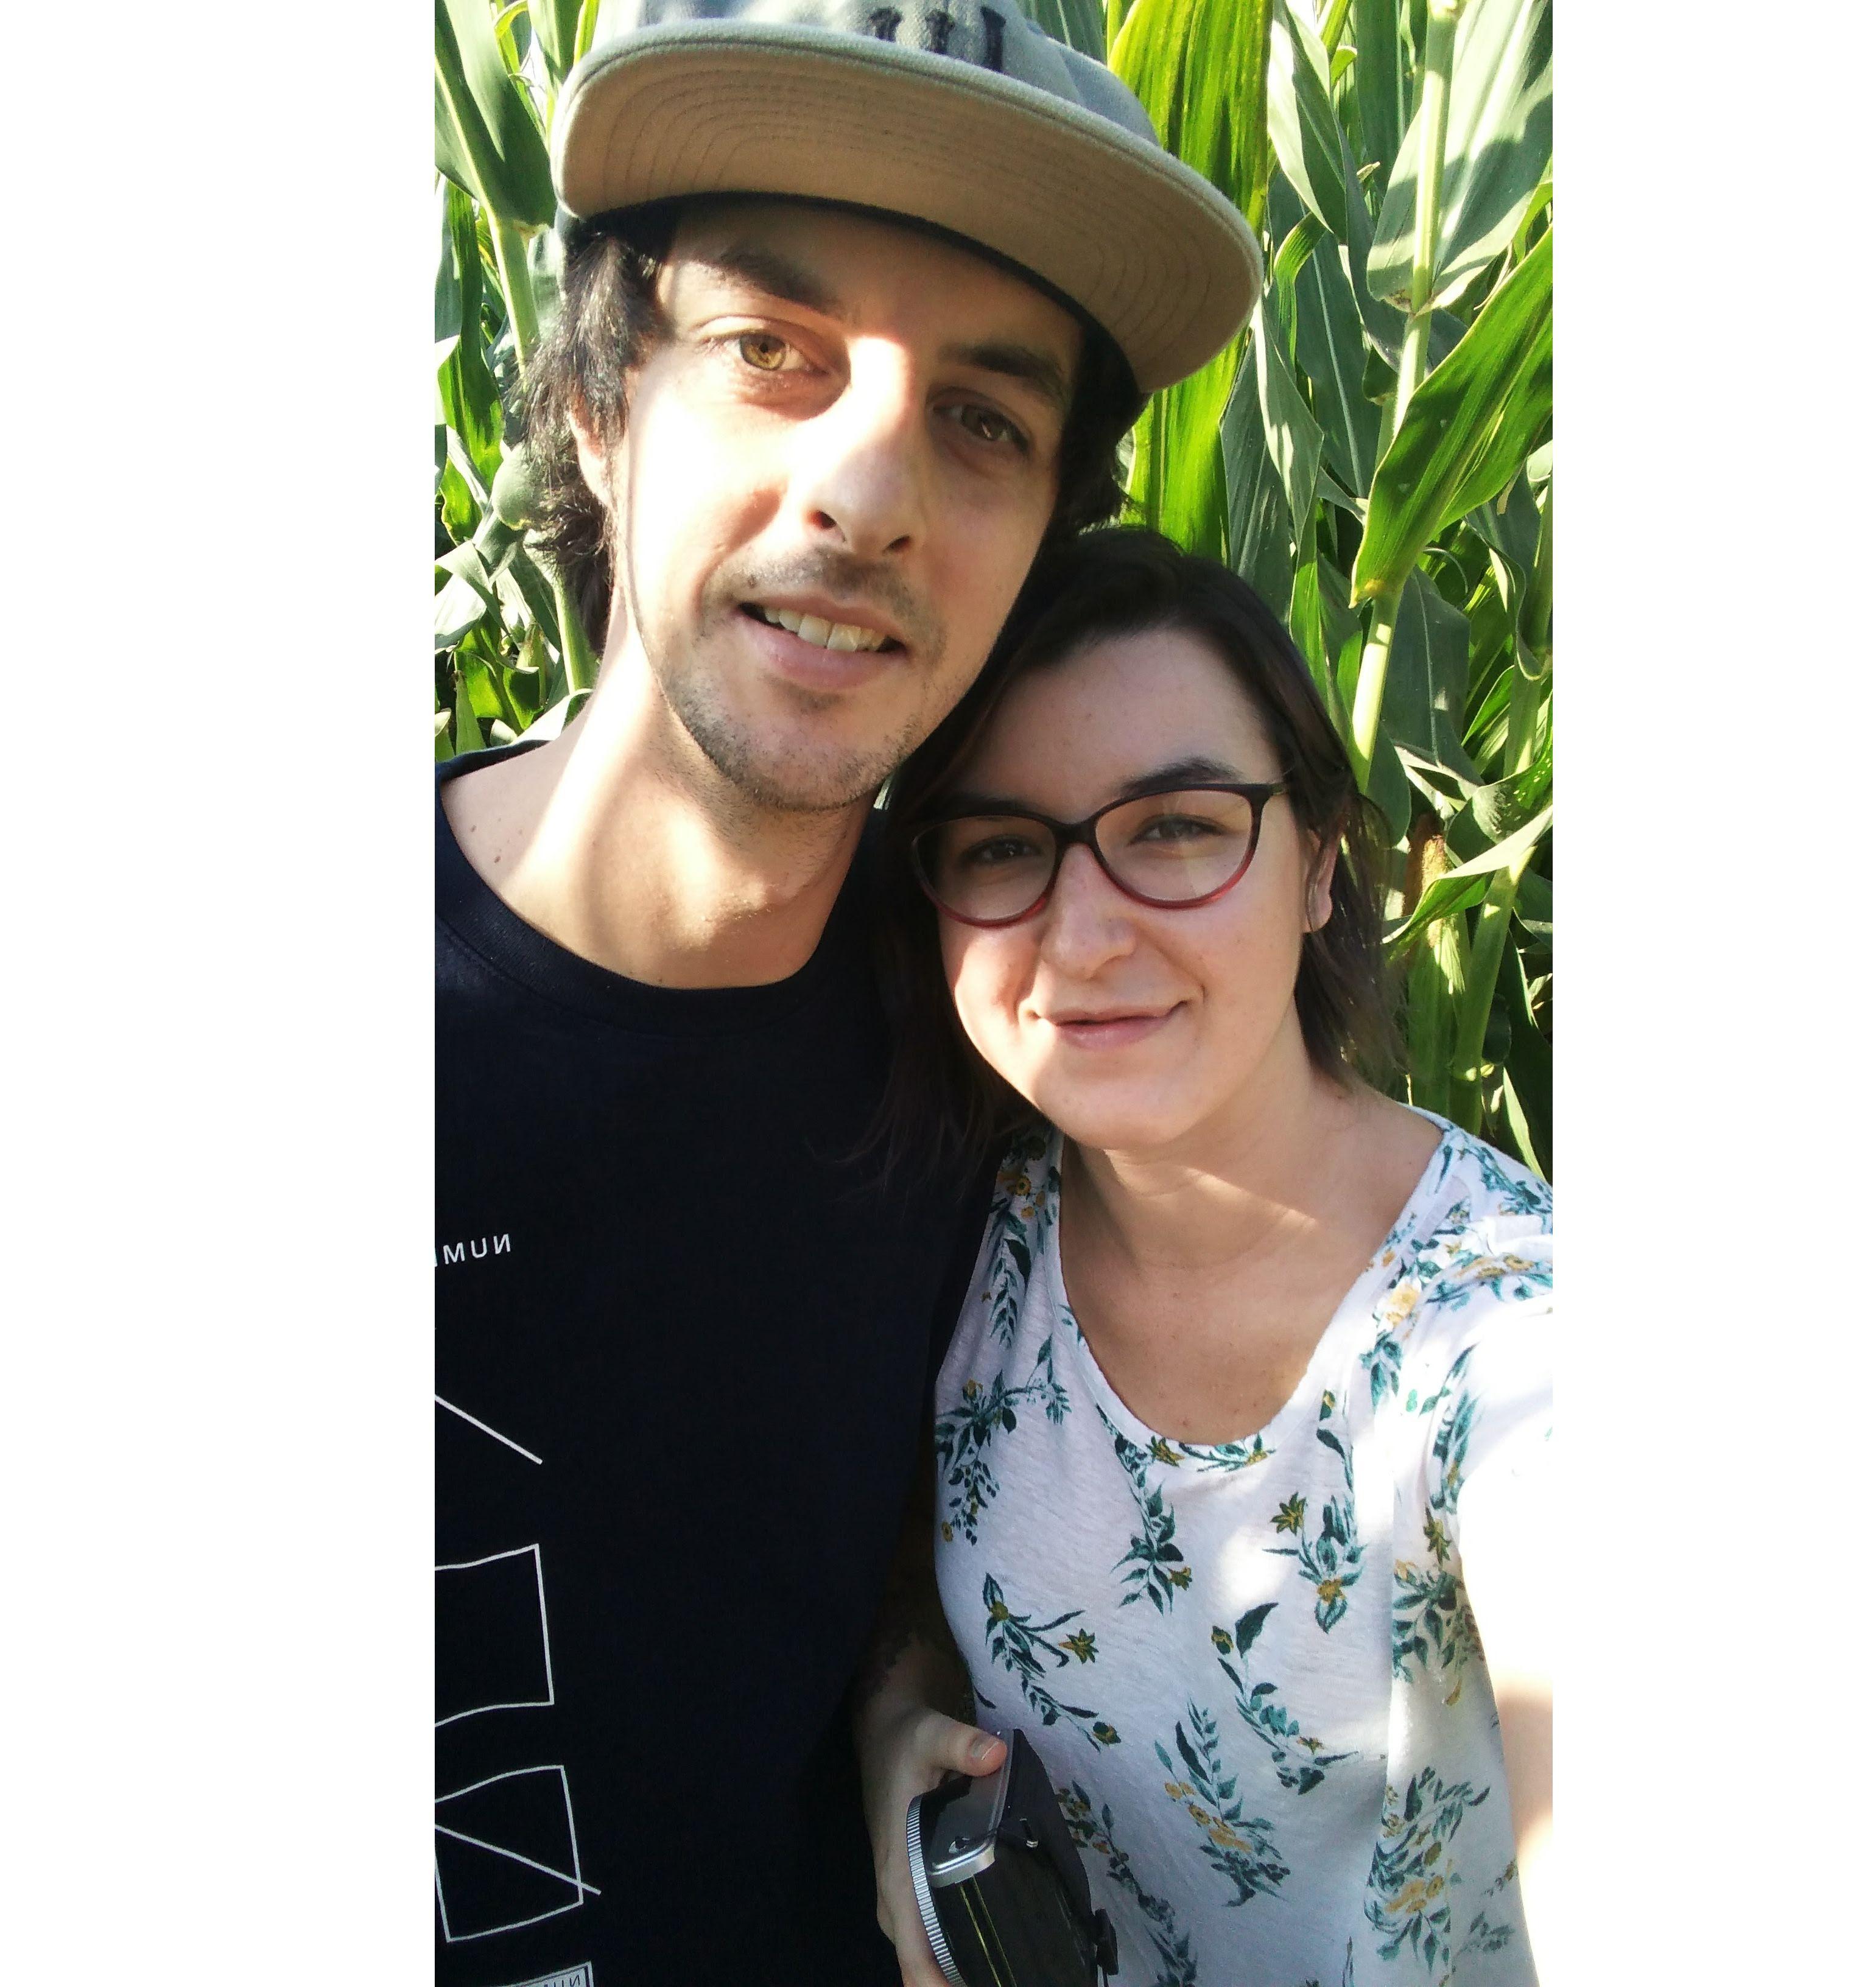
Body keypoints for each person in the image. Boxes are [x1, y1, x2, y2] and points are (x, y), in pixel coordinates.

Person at [434, 3, 1259, 1982]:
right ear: (595, 403)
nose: (869, 485)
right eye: (768, 352)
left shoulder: (1001, 1062)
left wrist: (903, 1696)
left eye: (980, 416)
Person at [859, 530, 1555, 1986]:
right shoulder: (972, 1236)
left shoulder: (1501, 1326)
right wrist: (895, 1728)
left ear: (1316, 860)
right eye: (999, 846)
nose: (1085, 934)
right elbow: (913, 1584)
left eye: (1173, 824)